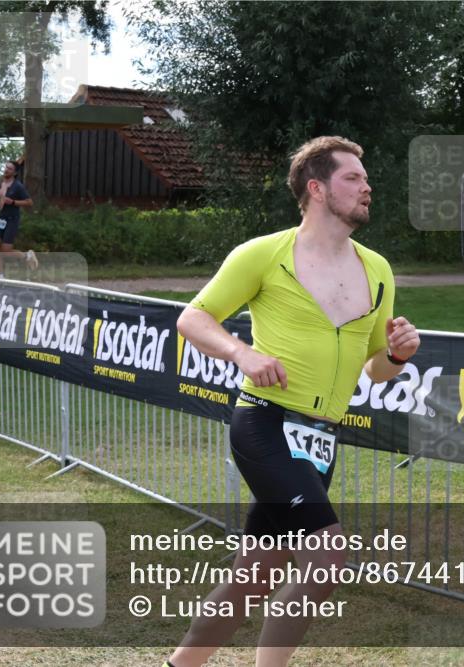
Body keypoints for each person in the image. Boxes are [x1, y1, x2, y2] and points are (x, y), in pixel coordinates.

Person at [168, 136, 421, 667]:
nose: (366, 186)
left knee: (251, 578)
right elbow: (193, 318)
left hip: (322, 438)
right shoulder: (263, 253)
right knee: (328, 554)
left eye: (364, 176)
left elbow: (375, 369)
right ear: (317, 188)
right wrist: (242, 354)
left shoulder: (377, 269)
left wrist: (398, 355)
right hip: (265, 424)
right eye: (352, 178)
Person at [0, 160, 37, 277]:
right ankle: (0, 277)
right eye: (6, 167)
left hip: (12, 219)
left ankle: (26, 255)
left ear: (15, 173)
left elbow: (29, 202)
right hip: (1, 218)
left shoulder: (18, 186)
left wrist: (13, 201)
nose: (6, 170)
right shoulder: (0, 183)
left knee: (5, 252)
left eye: (10, 169)